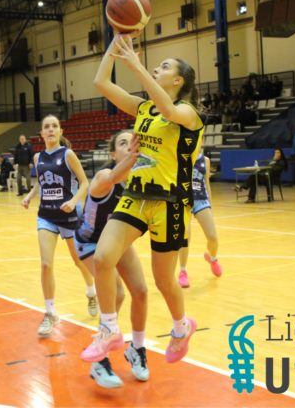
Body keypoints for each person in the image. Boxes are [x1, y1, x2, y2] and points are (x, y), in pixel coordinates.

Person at [81, 32, 204, 366]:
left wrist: (135, 66)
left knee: (163, 280)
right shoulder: (144, 108)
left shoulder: (189, 113)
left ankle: (182, 327)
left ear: (178, 81)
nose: (155, 69)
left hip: (170, 203)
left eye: (164, 67)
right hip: (135, 196)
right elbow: (101, 82)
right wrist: (116, 41)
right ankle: (108, 328)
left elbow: (168, 108)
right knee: (102, 259)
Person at [74, 131, 150, 388]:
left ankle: (136, 349)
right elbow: (115, 176)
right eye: (123, 143)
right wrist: (135, 156)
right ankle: (99, 361)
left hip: (116, 239)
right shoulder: (103, 177)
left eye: (132, 142)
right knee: (117, 293)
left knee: (140, 291)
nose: (129, 146)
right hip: (90, 242)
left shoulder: (137, 184)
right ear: (113, 154)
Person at [21, 116, 98, 337]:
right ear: (41, 133)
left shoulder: (68, 154)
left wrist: (73, 202)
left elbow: (85, 183)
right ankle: (51, 312)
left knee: (79, 261)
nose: (51, 129)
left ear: (60, 131)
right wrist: (29, 195)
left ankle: (91, 292)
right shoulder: (38, 157)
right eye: (46, 127)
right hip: (46, 216)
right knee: (46, 265)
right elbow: (40, 183)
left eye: (54, 126)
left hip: (70, 216)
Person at [177, 136, 222, 288]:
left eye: (198, 138)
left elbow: (207, 184)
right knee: (185, 238)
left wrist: (211, 205)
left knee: (213, 237)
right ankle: (182, 272)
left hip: (201, 199)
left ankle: (212, 258)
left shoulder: (205, 160)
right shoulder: (180, 157)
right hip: (184, 201)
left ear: (202, 142)